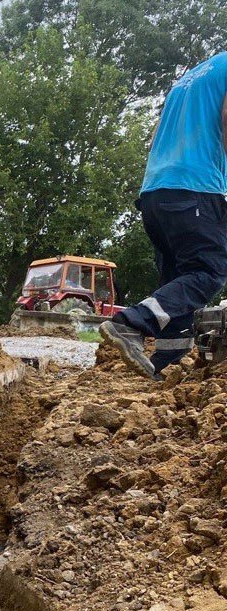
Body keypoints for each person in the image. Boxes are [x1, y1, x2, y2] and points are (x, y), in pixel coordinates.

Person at [100, 53, 227, 379]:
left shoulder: (186, 81)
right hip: (195, 188)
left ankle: (163, 366)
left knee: (176, 285)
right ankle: (133, 322)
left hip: (156, 192)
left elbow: (155, 139)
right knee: (210, 269)